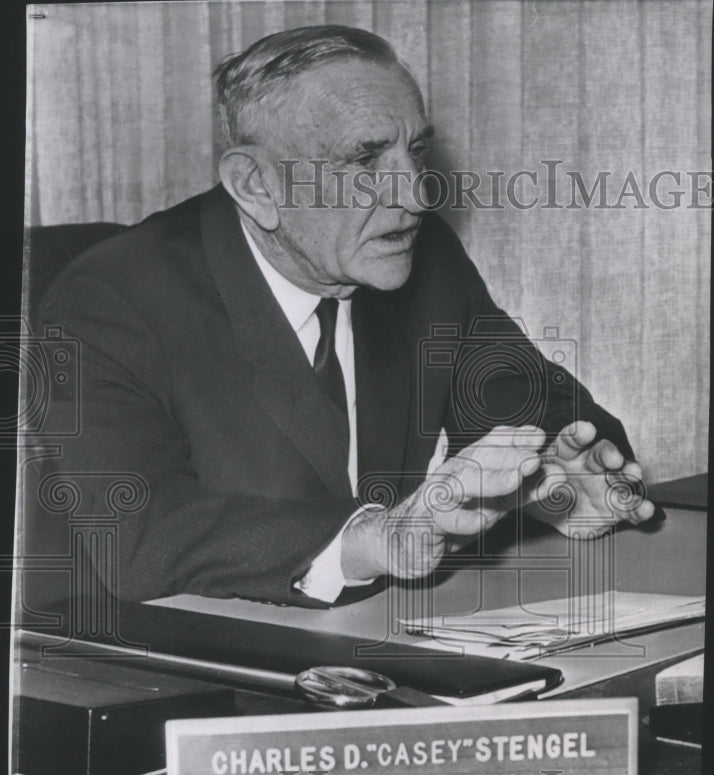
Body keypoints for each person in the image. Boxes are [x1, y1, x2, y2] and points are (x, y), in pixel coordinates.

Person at [30, 24, 654, 611]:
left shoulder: (417, 257)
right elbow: (140, 531)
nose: (413, 194)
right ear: (255, 185)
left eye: (416, 151)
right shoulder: (114, 299)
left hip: (379, 643)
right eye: (364, 161)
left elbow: (521, 399)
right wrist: (373, 540)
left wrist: (551, 480)